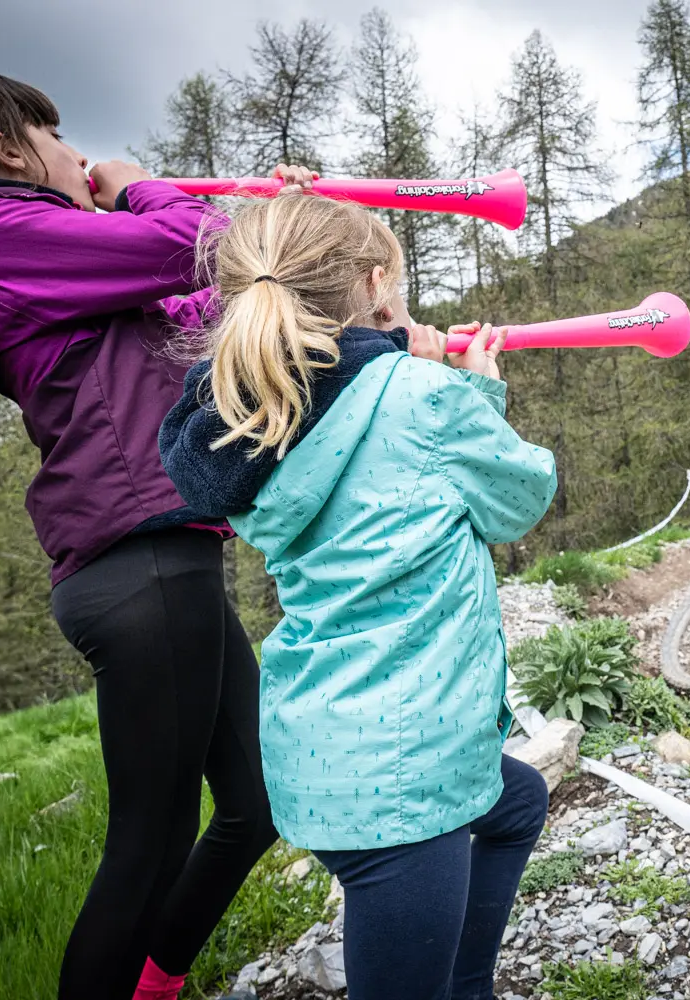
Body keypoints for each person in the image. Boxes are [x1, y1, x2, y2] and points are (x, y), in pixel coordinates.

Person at [0, 70, 312, 1000]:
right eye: (55, 136)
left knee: (254, 805)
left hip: (159, 561)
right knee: (148, 848)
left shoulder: (17, 250)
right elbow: (190, 241)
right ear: (4, 147)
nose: (74, 155)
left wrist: (274, 224)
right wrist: (135, 187)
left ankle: (155, 989)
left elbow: (199, 309)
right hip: (143, 567)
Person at [159, 193, 557, 1000]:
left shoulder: (255, 412)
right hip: (405, 774)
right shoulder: (422, 397)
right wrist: (471, 390)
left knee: (517, 803)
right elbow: (517, 500)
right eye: (398, 287)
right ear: (377, 285)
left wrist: (401, 363)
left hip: (322, 747)